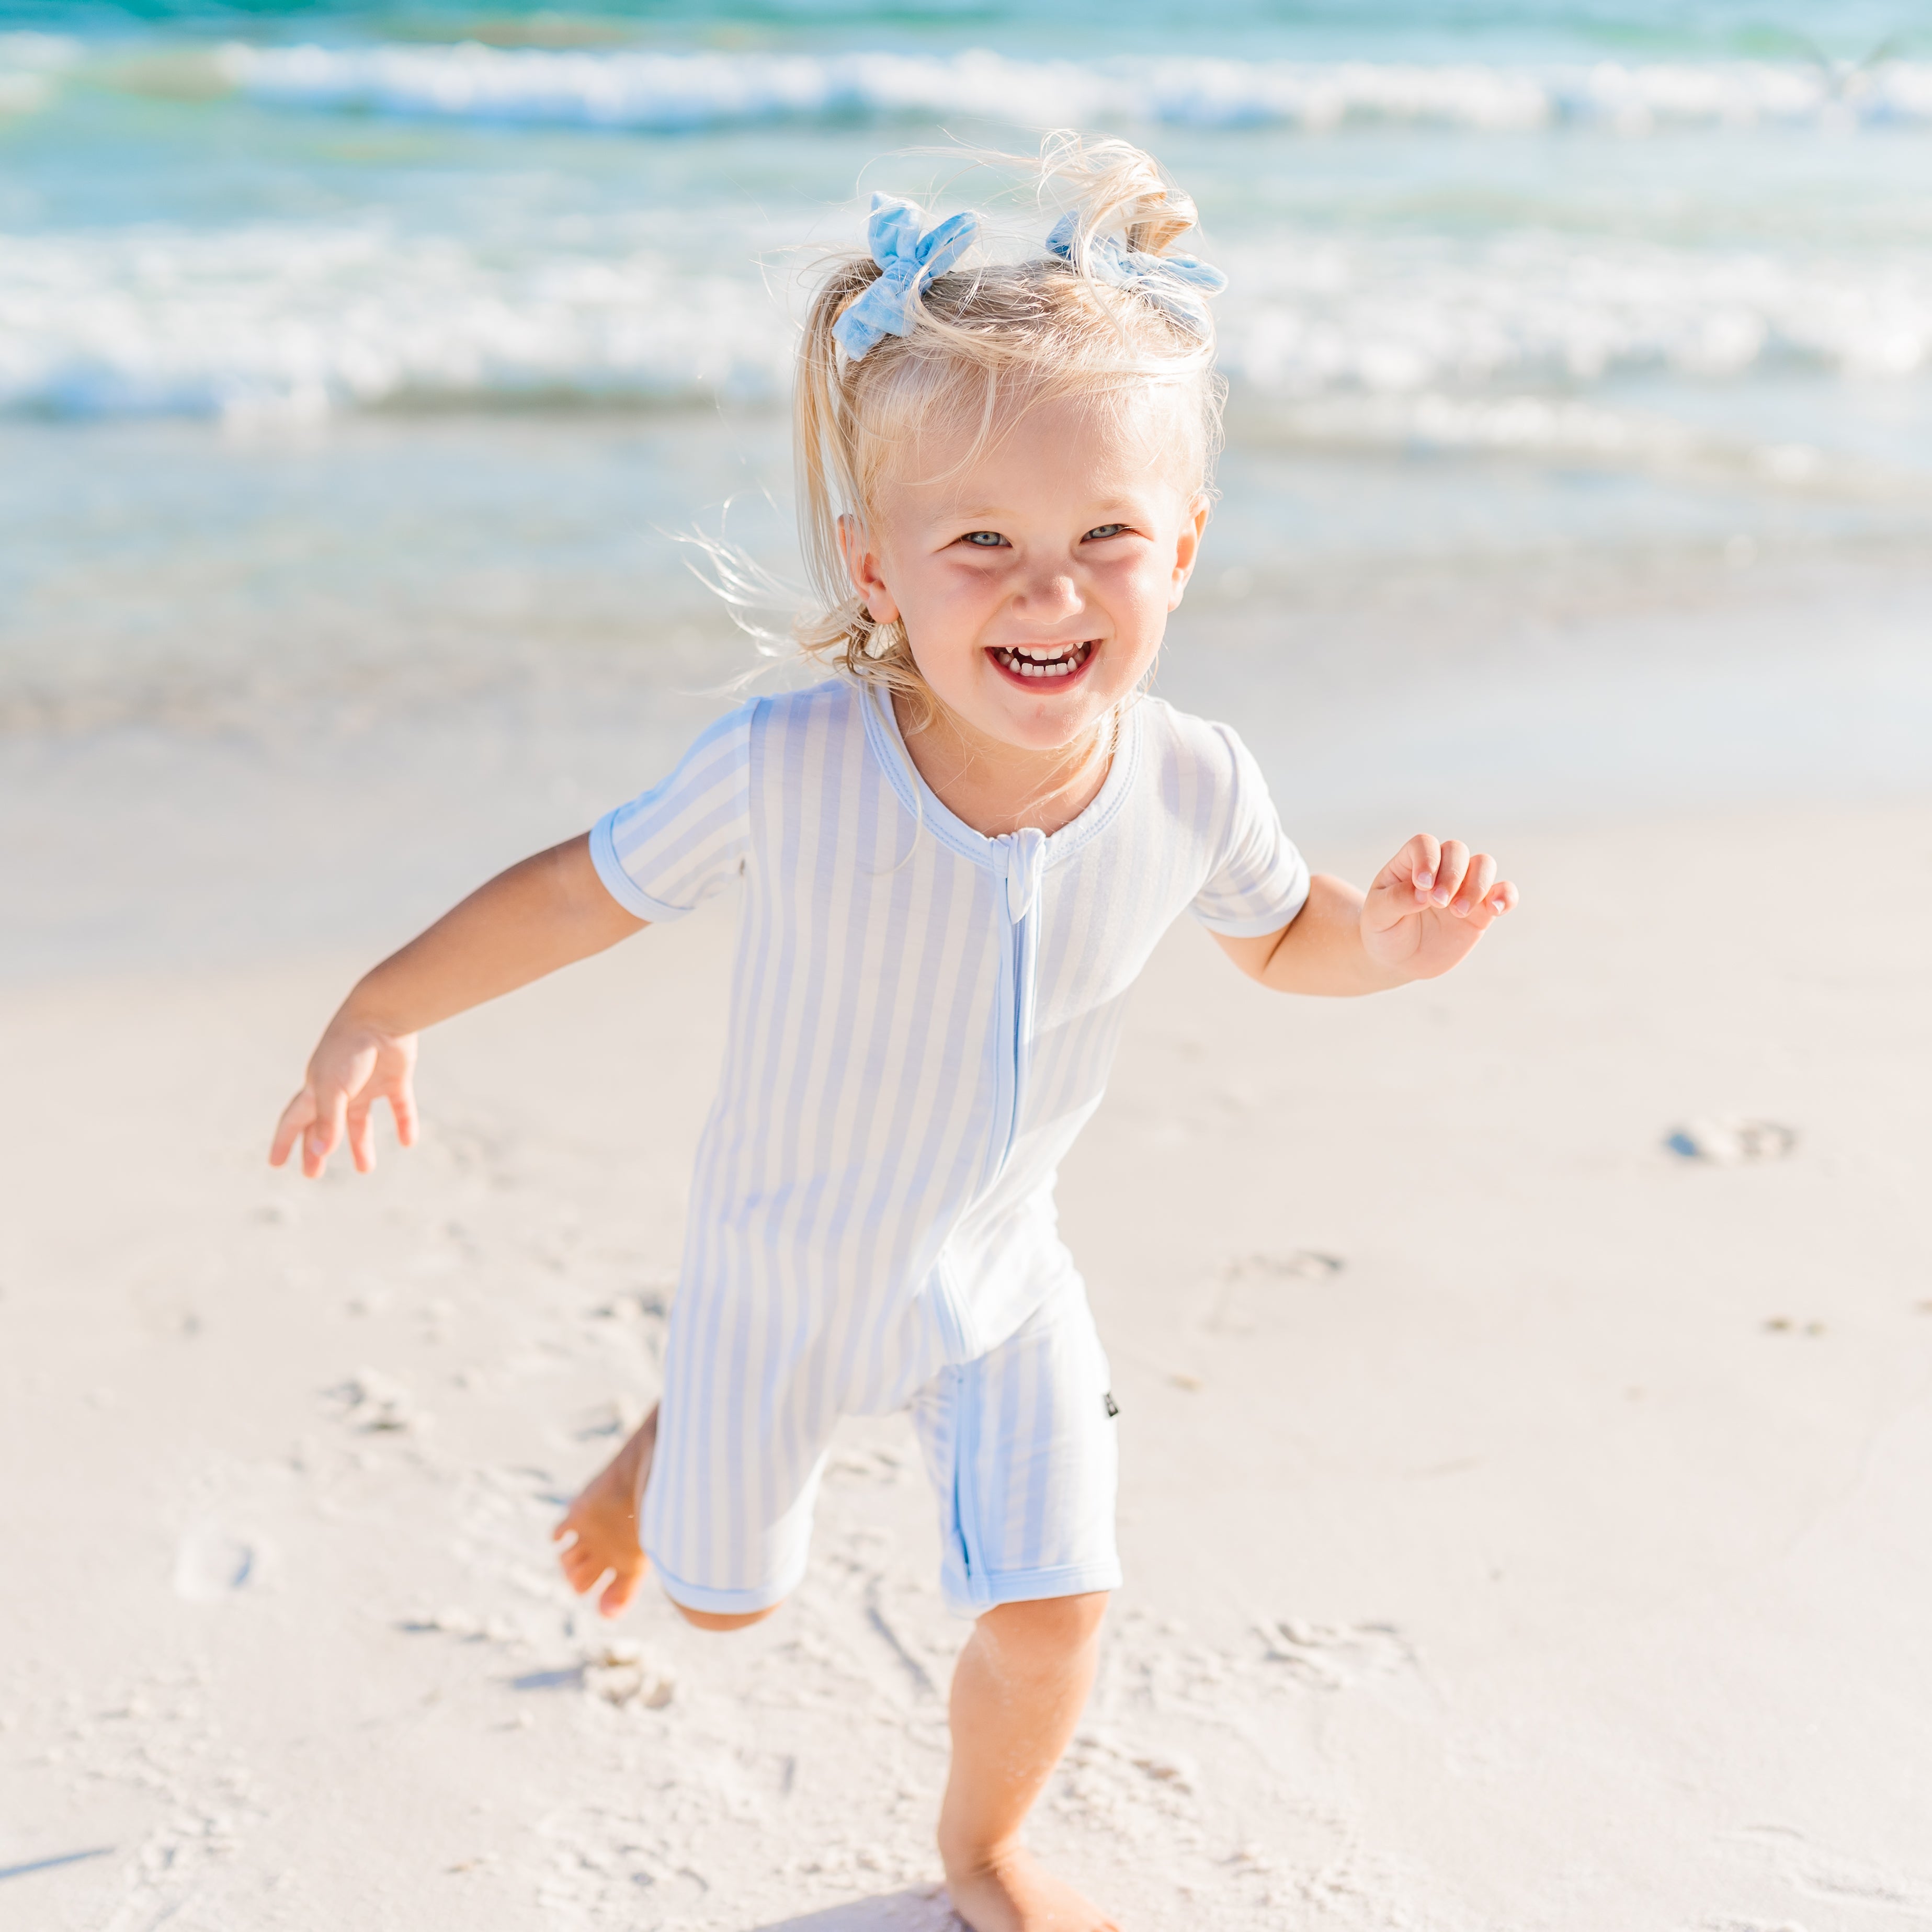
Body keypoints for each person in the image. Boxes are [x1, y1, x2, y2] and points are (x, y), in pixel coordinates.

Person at [269, 134, 1517, 1932]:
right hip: (773, 1286)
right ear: (874, 565)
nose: (1047, 589)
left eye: (1106, 538)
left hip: (1003, 1283)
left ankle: (984, 1850)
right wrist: (378, 1006)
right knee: (715, 1605)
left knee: (1055, 1603)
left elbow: (1287, 941)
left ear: (1185, 548)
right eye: (981, 544)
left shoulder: (1189, 779)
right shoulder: (789, 773)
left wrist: (1391, 946)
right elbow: (574, 893)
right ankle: (672, 1431)